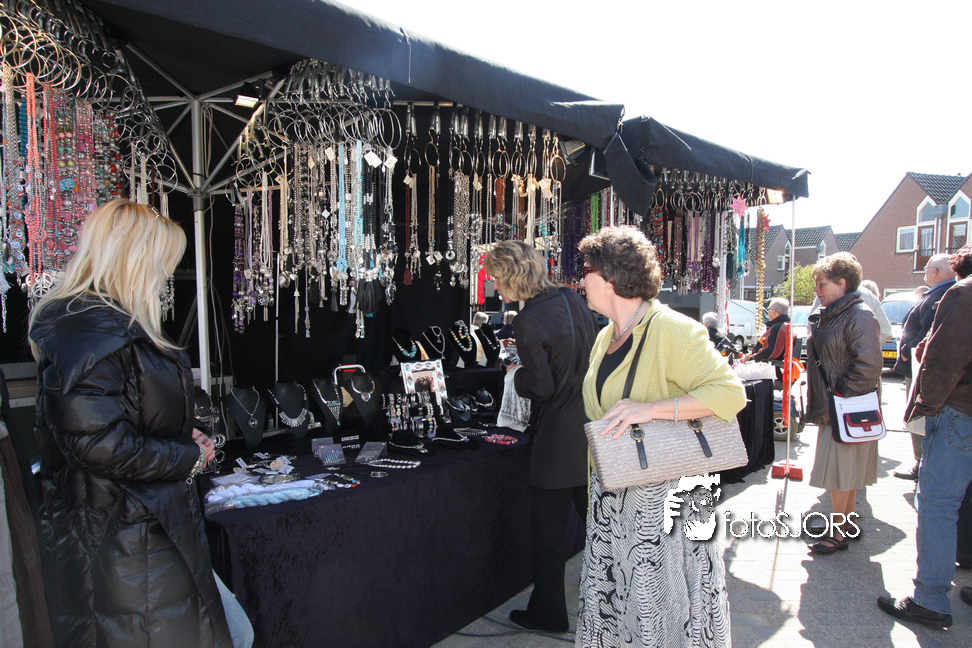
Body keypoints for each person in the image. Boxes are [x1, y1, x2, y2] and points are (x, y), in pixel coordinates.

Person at [28, 199, 253, 648]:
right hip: (123, 539)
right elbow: (97, 445)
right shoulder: (92, 334)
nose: (167, 273)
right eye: (164, 260)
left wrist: (179, 432)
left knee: (232, 632)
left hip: (144, 529)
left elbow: (119, 418)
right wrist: (185, 455)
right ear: (135, 258)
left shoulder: (106, 329)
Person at [575, 226, 746, 647]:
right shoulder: (605, 335)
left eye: (586, 270)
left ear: (609, 277)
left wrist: (651, 409)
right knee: (615, 605)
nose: (580, 279)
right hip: (613, 494)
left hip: (664, 501)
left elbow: (730, 392)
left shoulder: (671, 329)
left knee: (659, 610)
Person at [484, 240, 597, 633]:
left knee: (548, 538)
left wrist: (515, 376)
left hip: (558, 438)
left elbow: (541, 387)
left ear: (512, 276)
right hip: (591, 427)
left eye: (496, 278)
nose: (494, 286)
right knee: (603, 527)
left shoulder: (529, 319)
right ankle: (631, 602)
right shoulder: (573, 299)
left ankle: (548, 614)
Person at [878, 244, 972, 629]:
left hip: (960, 412)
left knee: (937, 505)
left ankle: (930, 599)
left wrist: (925, 406)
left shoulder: (964, 293)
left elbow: (943, 360)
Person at [804, 253, 883, 555]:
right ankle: (846, 525)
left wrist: (841, 395)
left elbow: (869, 365)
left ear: (843, 283)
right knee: (844, 473)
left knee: (840, 473)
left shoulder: (858, 314)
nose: (817, 290)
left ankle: (838, 533)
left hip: (845, 408)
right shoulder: (839, 313)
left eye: (822, 284)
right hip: (839, 406)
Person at [892, 255, 956, 480]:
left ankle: (921, 464)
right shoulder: (944, 293)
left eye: (927, 268)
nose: (925, 273)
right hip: (922, 365)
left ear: (935, 271)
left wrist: (909, 350)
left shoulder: (942, 295)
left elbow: (927, 329)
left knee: (918, 415)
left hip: (921, 366)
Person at [810, 253, 892, 344]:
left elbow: (811, 329)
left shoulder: (826, 294)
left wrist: (856, 346)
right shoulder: (869, 295)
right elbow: (885, 331)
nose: (816, 289)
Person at [744, 297, 791, 364]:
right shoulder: (785, 325)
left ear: (774, 311)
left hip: (770, 366)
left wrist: (751, 359)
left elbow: (771, 352)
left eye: (768, 309)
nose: (768, 311)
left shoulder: (777, 328)